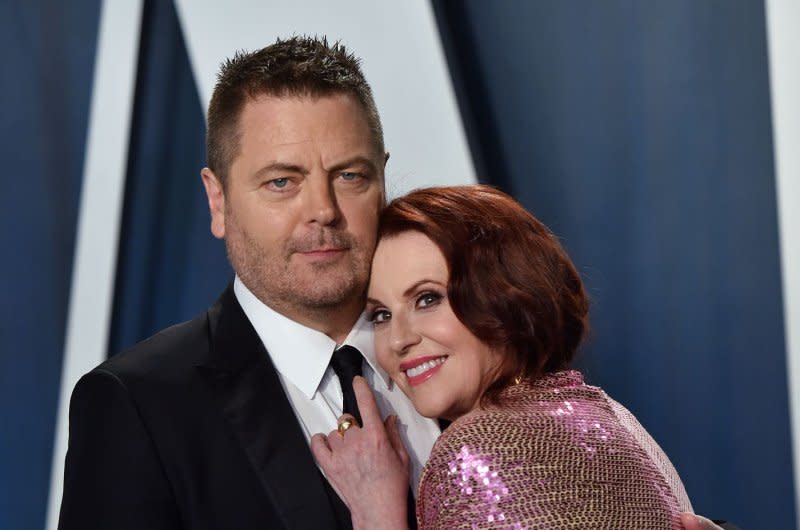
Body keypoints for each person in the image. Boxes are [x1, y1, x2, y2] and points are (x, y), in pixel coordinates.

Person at [58, 36, 728, 530]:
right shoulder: (139, 407)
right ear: (218, 199)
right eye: (282, 182)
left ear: (382, 176)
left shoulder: (474, 364)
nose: (321, 210)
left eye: (348, 175)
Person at [311, 185, 735, 530]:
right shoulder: (609, 414)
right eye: (381, 315)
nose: (398, 340)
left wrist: (377, 516)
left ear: (501, 297)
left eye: (427, 299)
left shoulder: (474, 451)